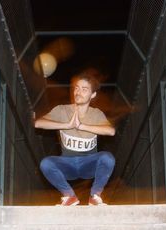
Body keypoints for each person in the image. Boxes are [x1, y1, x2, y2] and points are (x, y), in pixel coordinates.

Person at [34, 72, 116, 206]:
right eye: (77, 88)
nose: (78, 92)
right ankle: (69, 196)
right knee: (46, 163)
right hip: (67, 164)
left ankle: (94, 196)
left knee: (107, 158)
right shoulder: (62, 110)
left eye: (84, 89)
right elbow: (38, 123)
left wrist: (81, 126)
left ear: (93, 95)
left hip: (88, 164)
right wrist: (66, 125)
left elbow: (110, 131)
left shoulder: (96, 114)